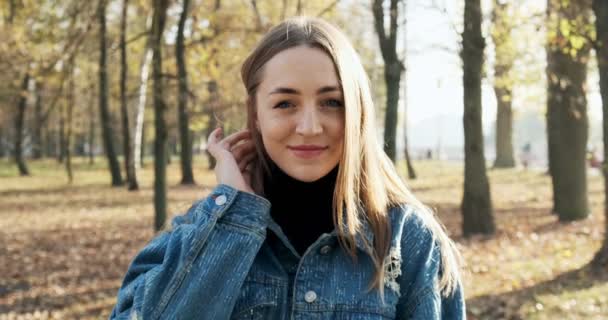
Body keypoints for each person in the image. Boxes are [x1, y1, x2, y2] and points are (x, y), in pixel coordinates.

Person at [109, 17, 465, 319]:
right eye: (285, 103)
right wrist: (234, 217)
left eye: (331, 102)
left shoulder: (407, 239)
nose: (310, 126)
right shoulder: (202, 230)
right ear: (257, 114)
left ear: (357, 111)